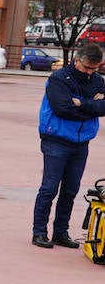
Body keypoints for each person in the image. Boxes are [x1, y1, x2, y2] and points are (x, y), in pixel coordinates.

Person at [31, 41, 105, 248]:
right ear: (76, 60)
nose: (91, 72)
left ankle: (60, 232)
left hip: (82, 142)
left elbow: (103, 107)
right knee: (49, 188)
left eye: (95, 68)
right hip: (56, 139)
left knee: (71, 189)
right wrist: (93, 106)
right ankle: (39, 232)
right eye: (87, 67)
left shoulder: (98, 80)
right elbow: (62, 108)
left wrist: (82, 103)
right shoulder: (59, 79)